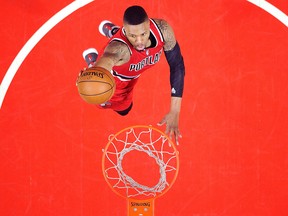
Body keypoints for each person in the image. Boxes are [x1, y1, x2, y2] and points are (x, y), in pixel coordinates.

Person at [81, 5, 185, 144]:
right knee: (124, 110)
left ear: (149, 24)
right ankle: (92, 61)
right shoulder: (118, 50)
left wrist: (175, 111)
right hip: (119, 80)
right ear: (125, 30)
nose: (140, 41)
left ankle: (113, 31)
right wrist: (94, 74)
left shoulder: (163, 30)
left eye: (143, 34)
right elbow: (107, 62)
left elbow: (177, 64)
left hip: (132, 72)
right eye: (132, 36)